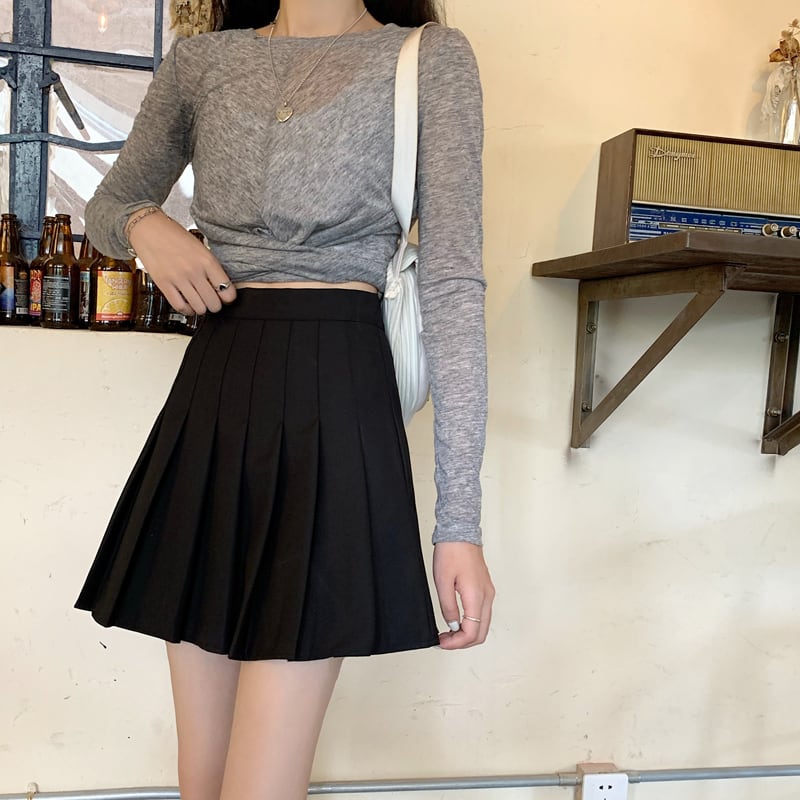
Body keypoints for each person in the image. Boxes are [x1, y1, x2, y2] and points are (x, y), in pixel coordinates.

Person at [75, 1, 494, 798]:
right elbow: (109, 205)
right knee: (202, 781)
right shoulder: (202, 62)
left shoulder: (428, 58)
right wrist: (147, 226)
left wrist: (459, 524)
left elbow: (451, 282)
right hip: (214, 395)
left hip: (336, 402)